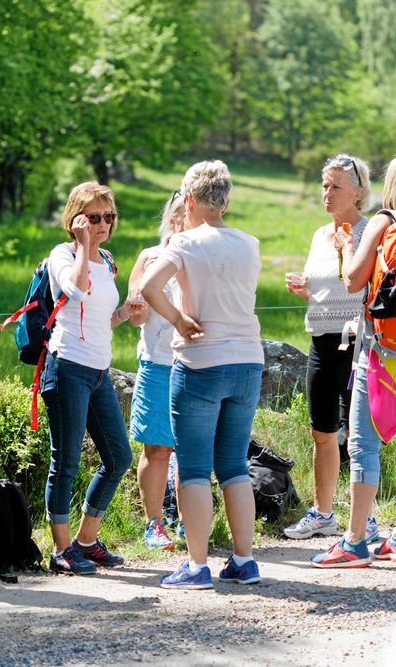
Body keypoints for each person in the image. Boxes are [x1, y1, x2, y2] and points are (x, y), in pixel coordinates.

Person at [312, 154, 396, 568]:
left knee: (364, 445)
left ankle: (354, 543)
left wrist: (348, 244)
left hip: (381, 352)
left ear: (389, 183)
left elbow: (353, 280)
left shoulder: (383, 222)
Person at [141, 160, 264, 590]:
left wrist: (178, 320)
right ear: (226, 200)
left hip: (199, 363)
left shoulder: (184, 243)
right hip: (248, 361)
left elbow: (148, 289)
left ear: (188, 201)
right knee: (233, 463)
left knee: (193, 466)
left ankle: (196, 566)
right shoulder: (249, 243)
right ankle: (244, 560)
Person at [40, 181, 143, 575]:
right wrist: (83, 244)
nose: (103, 224)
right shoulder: (63, 254)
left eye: (109, 216)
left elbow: (102, 315)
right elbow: (76, 290)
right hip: (66, 366)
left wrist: (126, 313)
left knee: (118, 457)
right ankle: (61, 549)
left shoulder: (109, 260)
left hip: (99, 370)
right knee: (65, 461)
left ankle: (87, 539)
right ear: (76, 218)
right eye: (94, 217)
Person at [283, 153, 380, 543]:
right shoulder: (319, 235)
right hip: (321, 339)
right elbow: (326, 288)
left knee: (358, 434)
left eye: (335, 186)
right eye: (325, 185)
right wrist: (305, 289)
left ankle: (365, 519)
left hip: (357, 343)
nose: (327, 193)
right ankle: (323, 513)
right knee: (321, 432)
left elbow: (369, 286)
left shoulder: (371, 231)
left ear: (358, 193)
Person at [127, 189, 185, 550]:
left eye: (187, 214)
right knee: (157, 448)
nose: (182, 221)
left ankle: (186, 519)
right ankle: (154, 524)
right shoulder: (150, 256)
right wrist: (138, 305)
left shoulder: (201, 255)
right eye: (177, 214)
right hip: (157, 362)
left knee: (190, 449)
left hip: (194, 362)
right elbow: (136, 316)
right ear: (169, 216)